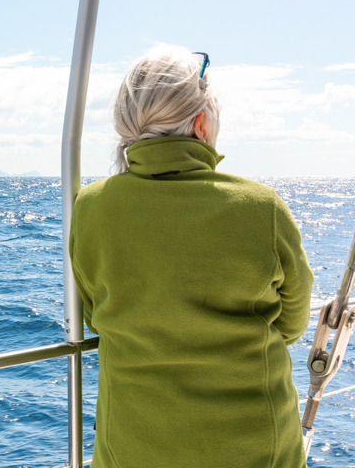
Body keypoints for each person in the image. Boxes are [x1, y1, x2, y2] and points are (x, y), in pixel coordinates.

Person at [69, 45, 313, 468]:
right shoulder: (261, 207)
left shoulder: (89, 207)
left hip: (131, 447)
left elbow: (94, 313)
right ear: (201, 124)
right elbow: (292, 323)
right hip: (253, 448)